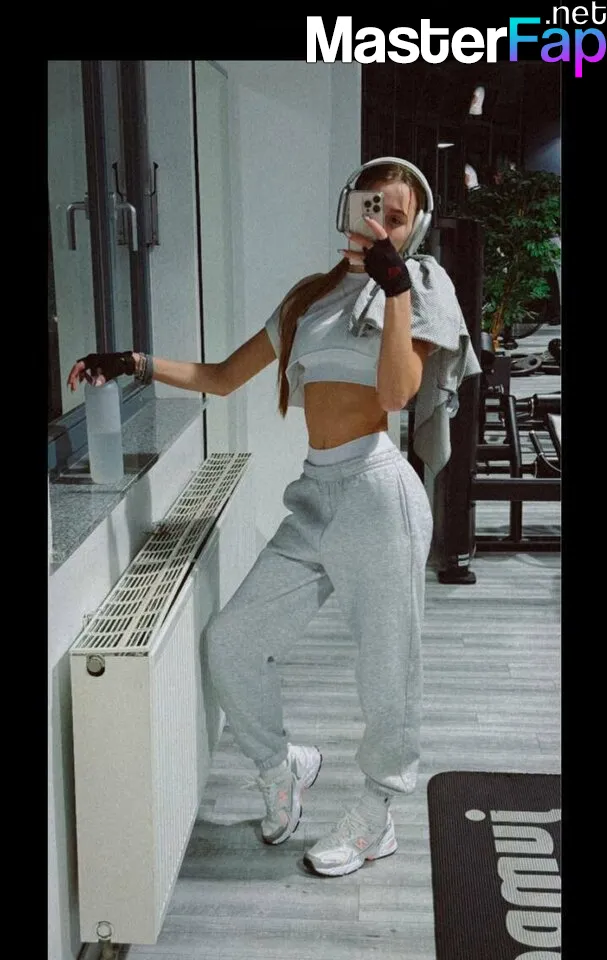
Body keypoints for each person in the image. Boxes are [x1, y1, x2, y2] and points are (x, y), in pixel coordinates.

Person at [67, 157, 480, 878]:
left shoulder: (418, 286)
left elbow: (395, 394)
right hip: (315, 493)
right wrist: (133, 362)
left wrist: (393, 291)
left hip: (377, 495)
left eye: (397, 215)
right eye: (370, 205)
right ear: (347, 206)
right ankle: (280, 765)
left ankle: (377, 813)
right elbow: (223, 377)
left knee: (387, 670)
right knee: (231, 643)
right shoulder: (308, 298)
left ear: (414, 228)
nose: (379, 222)